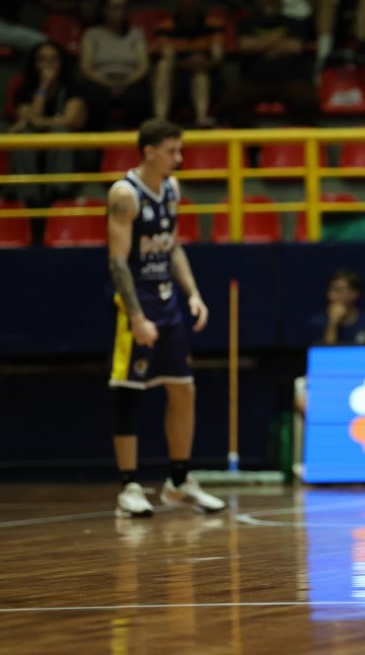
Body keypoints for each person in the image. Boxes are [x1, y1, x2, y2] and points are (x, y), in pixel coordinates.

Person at [106, 119, 225, 518]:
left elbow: (172, 247)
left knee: (183, 389)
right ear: (149, 151)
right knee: (129, 390)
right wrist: (137, 316)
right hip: (136, 304)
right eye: (173, 151)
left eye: (180, 150)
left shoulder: (172, 189)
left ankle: (178, 481)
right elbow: (117, 262)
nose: (180, 158)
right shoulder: (125, 195)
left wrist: (193, 294)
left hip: (168, 301)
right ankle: (129, 487)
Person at [223, 0, 320, 128]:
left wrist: (259, 46)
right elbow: (243, 46)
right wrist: (277, 41)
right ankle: (251, 141)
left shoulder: (294, 22)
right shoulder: (247, 23)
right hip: (253, 82)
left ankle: (297, 140)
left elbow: (295, 47)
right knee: (229, 100)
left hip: (289, 82)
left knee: (309, 100)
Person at [9, 41, 88, 208]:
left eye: (53, 59)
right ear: (34, 63)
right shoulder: (25, 89)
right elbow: (26, 118)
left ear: (62, 62)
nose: (48, 65)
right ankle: (29, 198)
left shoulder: (73, 87)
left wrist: (35, 122)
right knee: (24, 136)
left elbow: (69, 121)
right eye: (42, 59)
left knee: (60, 132)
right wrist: (43, 86)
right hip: (34, 145)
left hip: (65, 149)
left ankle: (60, 192)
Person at [152, 0, 225, 127]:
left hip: (208, 78)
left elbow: (218, 55)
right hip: (176, 80)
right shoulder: (165, 26)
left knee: (200, 72)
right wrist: (187, 64)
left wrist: (205, 62)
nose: (189, 1)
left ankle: (202, 118)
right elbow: (167, 55)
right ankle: (160, 119)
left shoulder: (214, 24)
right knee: (163, 66)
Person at [79, 0, 152, 131]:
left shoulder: (136, 34)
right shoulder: (92, 34)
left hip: (130, 80)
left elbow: (143, 66)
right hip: (99, 80)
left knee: (137, 97)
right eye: (115, 7)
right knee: (95, 96)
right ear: (104, 10)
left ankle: (132, 138)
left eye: (123, 7)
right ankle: (96, 141)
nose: (120, 11)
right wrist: (107, 83)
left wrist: (125, 82)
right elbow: (85, 67)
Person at [313, 269, 365, 345]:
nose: (331, 295)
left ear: (354, 294)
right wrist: (332, 324)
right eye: (330, 290)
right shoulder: (318, 322)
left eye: (338, 290)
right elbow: (325, 352)